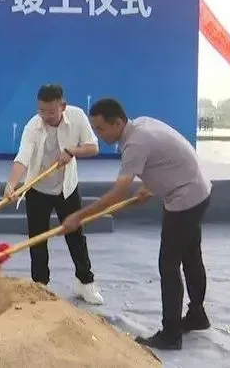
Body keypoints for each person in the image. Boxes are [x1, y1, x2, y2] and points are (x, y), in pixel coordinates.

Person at [62, 98, 212, 351]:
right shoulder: (141, 125)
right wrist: (148, 187)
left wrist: (79, 216)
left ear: (118, 123)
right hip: (199, 190)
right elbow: (167, 159)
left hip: (184, 199)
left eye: (100, 128)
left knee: (169, 265)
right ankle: (197, 314)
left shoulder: (135, 144)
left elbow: (118, 192)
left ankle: (171, 334)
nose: (98, 134)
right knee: (191, 256)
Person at [4, 84, 104, 305]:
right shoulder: (33, 126)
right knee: (37, 239)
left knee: (76, 235)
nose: (45, 116)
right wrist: (11, 184)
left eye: (51, 111)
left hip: (67, 188)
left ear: (63, 106)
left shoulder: (77, 117)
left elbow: (93, 147)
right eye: (41, 110)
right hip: (37, 188)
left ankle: (85, 282)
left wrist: (72, 151)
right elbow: (22, 158)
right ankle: (40, 286)